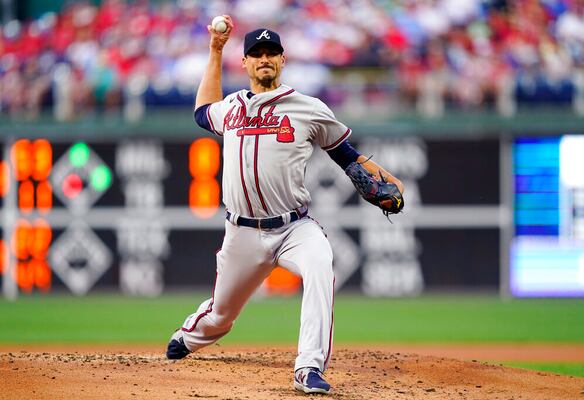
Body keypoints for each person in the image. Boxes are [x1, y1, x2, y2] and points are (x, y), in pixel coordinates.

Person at [165, 15, 405, 395]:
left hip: (295, 227)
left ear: (282, 59)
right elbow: (201, 111)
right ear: (244, 63)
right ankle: (191, 335)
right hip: (242, 232)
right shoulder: (231, 108)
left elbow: (346, 155)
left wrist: (376, 177)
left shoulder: (307, 107)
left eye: (271, 52)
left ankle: (308, 366)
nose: (264, 58)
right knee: (221, 316)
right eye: (256, 53)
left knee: (320, 266)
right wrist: (214, 50)